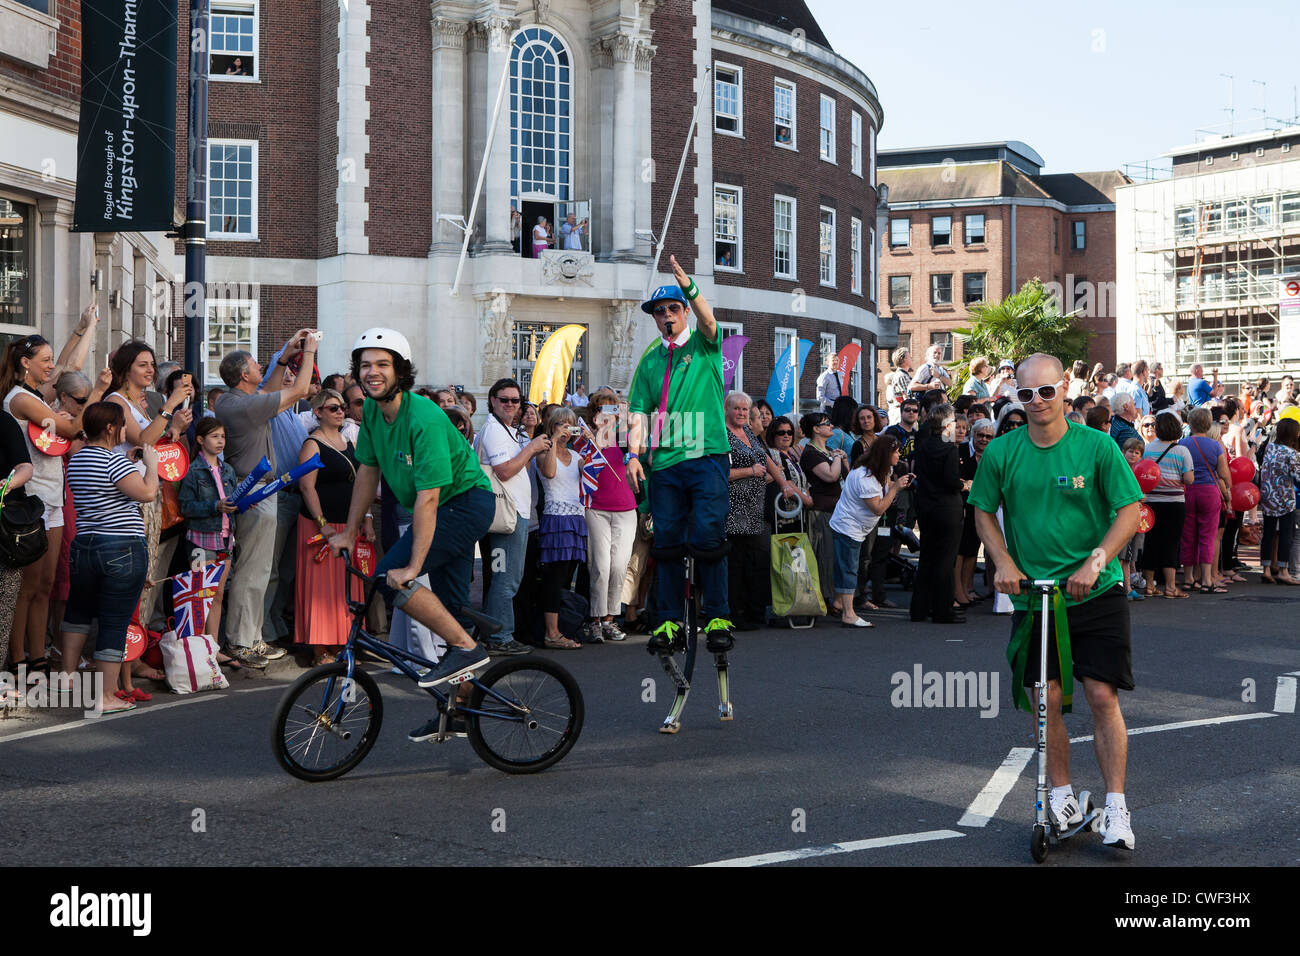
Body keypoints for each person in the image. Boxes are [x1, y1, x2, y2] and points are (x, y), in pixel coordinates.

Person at [969, 353, 1144, 851]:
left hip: (1095, 588)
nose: (1038, 402)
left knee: (1101, 696)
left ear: (1064, 389)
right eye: (1027, 394)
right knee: (1044, 701)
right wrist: (1002, 561)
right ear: (1015, 397)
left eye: (1047, 391)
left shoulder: (1097, 446)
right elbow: (983, 512)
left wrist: (1096, 559)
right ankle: (1064, 798)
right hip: (1036, 597)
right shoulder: (1001, 452)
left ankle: (1115, 807)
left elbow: (1129, 509)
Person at [328, 328, 496, 740]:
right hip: (444, 506)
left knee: (390, 574)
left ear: (399, 371)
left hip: (466, 503)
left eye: (382, 364)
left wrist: (413, 566)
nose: (372, 372)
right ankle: (461, 708)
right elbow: (367, 471)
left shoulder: (423, 417)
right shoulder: (370, 411)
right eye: (365, 365)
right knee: (452, 609)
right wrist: (350, 531)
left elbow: (428, 500)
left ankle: (469, 647)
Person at [626, 255, 737, 656]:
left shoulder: (705, 344)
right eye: (660, 311)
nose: (667, 315)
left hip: (706, 454)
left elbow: (710, 322)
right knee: (667, 542)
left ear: (684, 311)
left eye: (674, 308)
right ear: (654, 318)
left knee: (708, 534)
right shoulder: (651, 358)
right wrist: (633, 456)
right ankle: (668, 621)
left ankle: (719, 615)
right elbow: (637, 409)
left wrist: (689, 286)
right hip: (666, 463)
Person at [215, 329, 318, 668]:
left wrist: (287, 354)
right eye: (255, 366)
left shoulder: (239, 401)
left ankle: (251, 637)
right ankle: (242, 641)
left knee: (259, 570)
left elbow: (272, 387)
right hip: (253, 490)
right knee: (253, 569)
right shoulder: (243, 406)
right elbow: (300, 389)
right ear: (244, 376)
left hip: (258, 489)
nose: (261, 367)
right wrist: (311, 351)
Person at [0, 334, 95, 674]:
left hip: (54, 498)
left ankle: (38, 655)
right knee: (25, 586)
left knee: (45, 584)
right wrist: (97, 394)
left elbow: (70, 367)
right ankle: (19, 658)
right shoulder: (20, 399)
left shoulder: (38, 394)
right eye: (45, 359)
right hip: (29, 500)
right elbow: (70, 429)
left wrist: (84, 329)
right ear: (26, 363)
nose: (51, 366)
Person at [61, 402, 159, 714]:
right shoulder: (113, 462)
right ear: (110, 429)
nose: (125, 430)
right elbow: (146, 493)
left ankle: (67, 679)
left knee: (77, 612)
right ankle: (105, 696)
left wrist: (129, 464)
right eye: (121, 424)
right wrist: (152, 464)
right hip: (120, 546)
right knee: (114, 622)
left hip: (84, 545)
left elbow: (105, 487)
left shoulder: (77, 459)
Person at [477, 377, 551, 655]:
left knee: (505, 578)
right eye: (504, 400)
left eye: (515, 400)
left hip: (511, 513)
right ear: (493, 401)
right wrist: (531, 448)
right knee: (505, 579)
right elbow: (505, 471)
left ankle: (495, 633)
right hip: (505, 516)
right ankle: (499, 637)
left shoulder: (506, 429)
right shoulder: (494, 429)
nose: (510, 405)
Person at [293, 389, 363, 665]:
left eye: (342, 407)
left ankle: (343, 644)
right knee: (320, 589)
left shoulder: (348, 441)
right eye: (333, 407)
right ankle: (320, 648)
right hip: (320, 526)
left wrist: (364, 519)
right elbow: (307, 487)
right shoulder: (312, 444)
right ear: (318, 411)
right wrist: (322, 525)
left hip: (347, 524)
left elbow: (358, 483)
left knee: (344, 587)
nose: (339, 412)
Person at [724, 392, 796, 630]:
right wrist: (750, 472)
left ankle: (754, 611)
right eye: (737, 409)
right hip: (733, 510)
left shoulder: (750, 436)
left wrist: (784, 483)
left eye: (746, 410)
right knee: (736, 565)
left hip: (754, 509)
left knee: (756, 562)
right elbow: (720, 473)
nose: (742, 413)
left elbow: (767, 461)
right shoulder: (722, 436)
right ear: (727, 410)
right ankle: (736, 614)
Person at [830, 435, 912, 627]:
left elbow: (884, 487)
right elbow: (877, 507)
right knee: (849, 568)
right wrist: (896, 488)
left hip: (856, 526)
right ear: (886, 454)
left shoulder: (882, 470)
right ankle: (848, 614)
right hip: (848, 526)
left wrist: (896, 484)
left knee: (848, 565)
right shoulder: (864, 476)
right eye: (896, 451)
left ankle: (838, 603)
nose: (899, 454)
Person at [177, 416, 239, 656]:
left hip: (225, 537)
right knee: (201, 594)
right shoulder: (193, 470)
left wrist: (242, 504)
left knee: (218, 593)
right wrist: (216, 506)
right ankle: (199, 649)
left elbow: (232, 501)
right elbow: (186, 507)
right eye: (215, 436)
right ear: (201, 440)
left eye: (222, 436)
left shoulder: (228, 469)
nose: (220, 441)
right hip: (201, 538)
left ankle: (213, 647)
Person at [580, 389, 637, 642]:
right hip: (597, 508)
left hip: (626, 509)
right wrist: (590, 442)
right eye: (603, 410)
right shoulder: (585, 440)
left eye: (613, 410)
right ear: (594, 415)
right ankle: (595, 619)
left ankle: (610, 619)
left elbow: (643, 443)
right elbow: (580, 467)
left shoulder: (625, 438)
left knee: (618, 566)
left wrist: (626, 415)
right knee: (600, 566)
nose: (608, 415)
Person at [909, 404, 969, 624]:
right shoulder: (949, 449)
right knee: (945, 560)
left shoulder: (924, 446)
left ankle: (919, 608)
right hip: (947, 508)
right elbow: (951, 481)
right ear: (946, 425)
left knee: (926, 557)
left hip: (926, 506)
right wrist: (965, 485)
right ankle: (943, 609)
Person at [534, 406, 587, 649]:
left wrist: (591, 443)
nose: (566, 430)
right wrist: (554, 441)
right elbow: (550, 473)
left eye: (570, 425)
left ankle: (560, 626)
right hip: (556, 518)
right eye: (561, 425)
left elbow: (593, 474)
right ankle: (551, 633)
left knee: (567, 577)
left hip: (575, 518)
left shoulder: (576, 456)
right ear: (551, 426)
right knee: (554, 577)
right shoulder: (543, 452)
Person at [1138, 411, 1194, 599]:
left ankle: (1150, 586)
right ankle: (1170, 587)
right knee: (1171, 542)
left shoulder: (1148, 449)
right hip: (1174, 502)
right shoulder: (1182, 451)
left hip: (1152, 502)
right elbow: (1189, 479)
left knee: (1151, 542)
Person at [1179, 407, 1231, 593]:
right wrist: (1228, 490)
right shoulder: (1215, 445)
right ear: (1209, 424)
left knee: (1188, 536)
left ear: (1190, 423)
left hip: (1187, 492)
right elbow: (1224, 473)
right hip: (1209, 492)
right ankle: (1207, 580)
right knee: (1207, 537)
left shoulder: (1182, 443)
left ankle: (1188, 579)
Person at [800, 410, 848, 614]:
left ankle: (831, 599)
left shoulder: (829, 450)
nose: (831, 426)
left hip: (837, 509)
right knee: (824, 555)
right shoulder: (811, 453)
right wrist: (837, 458)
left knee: (835, 556)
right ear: (815, 429)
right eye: (826, 423)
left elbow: (847, 475)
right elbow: (830, 476)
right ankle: (822, 599)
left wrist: (842, 458)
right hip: (822, 510)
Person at [0, 407, 33, 697]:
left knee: (4, 605)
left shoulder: (3, 420)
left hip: (6, 529)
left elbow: (25, 466)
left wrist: (8, 484)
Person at [1258, 416, 1300, 585]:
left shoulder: (1270, 447)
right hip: (1284, 497)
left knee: (1268, 534)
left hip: (1268, 495)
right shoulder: (1292, 453)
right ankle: (1283, 570)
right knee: (1285, 534)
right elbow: (1297, 477)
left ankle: (1266, 569)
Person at [764, 416, 814, 530]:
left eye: (789, 432)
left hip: (798, 514)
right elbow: (787, 482)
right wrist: (808, 501)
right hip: (782, 517)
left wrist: (807, 497)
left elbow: (803, 481)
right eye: (781, 432)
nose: (786, 435)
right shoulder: (773, 455)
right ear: (773, 435)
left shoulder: (791, 455)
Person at [885, 348, 913, 425]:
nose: (911, 358)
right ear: (904, 359)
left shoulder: (904, 375)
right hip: (901, 414)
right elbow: (906, 396)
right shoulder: (901, 375)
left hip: (904, 412)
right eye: (909, 356)